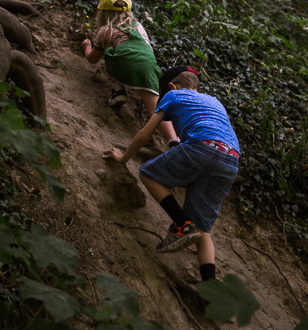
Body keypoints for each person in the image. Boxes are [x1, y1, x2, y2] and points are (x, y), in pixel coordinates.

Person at [102, 66, 240, 284]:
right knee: (203, 231)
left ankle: (182, 224)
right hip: (231, 161)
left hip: (201, 148)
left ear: (171, 87)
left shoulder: (173, 95)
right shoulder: (215, 102)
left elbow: (145, 134)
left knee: (148, 173)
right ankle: (212, 291)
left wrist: (123, 158)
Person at [81, 0, 178, 144]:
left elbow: (93, 58)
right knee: (156, 109)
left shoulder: (105, 30)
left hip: (124, 64)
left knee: (111, 53)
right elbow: (147, 48)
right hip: (149, 66)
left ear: (102, 13)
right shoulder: (138, 26)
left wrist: (87, 46)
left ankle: (118, 90)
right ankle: (173, 139)